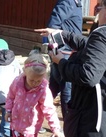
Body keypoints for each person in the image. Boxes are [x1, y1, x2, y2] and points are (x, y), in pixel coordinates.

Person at [34, 1, 106, 135]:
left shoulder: (102, 34)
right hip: (98, 114)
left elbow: (88, 75)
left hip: (91, 117)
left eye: (99, 9)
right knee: (54, 89)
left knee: (65, 92)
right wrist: (61, 35)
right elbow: (92, 47)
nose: (97, 12)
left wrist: (60, 61)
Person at [5, 51, 63, 137]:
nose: (35, 83)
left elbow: (49, 110)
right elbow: (10, 97)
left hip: (30, 130)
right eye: (31, 80)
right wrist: (8, 110)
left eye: (38, 81)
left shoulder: (43, 90)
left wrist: (56, 129)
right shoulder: (17, 82)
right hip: (15, 125)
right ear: (25, 73)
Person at [45, 0, 83, 123]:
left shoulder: (75, 3)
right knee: (67, 91)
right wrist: (58, 50)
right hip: (65, 54)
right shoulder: (68, 2)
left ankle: (34, 116)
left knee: (52, 89)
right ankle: (68, 126)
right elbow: (53, 25)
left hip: (67, 52)